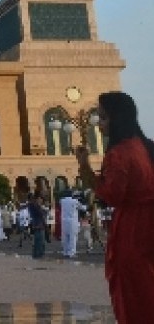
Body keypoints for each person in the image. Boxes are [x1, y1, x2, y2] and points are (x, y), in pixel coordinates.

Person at [75, 91, 154, 324]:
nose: (99, 124)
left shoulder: (119, 153)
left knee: (133, 287)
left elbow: (112, 195)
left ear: (116, 119)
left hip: (133, 227)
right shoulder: (146, 147)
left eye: (103, 118)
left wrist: (84, 166)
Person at [59, 191, 85, 258]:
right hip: (72, 221)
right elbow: (83, 208)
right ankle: (72, 253)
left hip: (64, 221)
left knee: (65, 237)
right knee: (72, 238)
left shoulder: (62, 201)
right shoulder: (75, 201)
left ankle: (65, 252)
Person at [27, 193, 46, 259]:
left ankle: (36, 254)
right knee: (39, 240)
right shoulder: (33, 205)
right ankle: (38, 254)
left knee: (37, 240)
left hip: (36, 224)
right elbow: (40, 213)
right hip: (39, 224)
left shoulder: (31, 205)